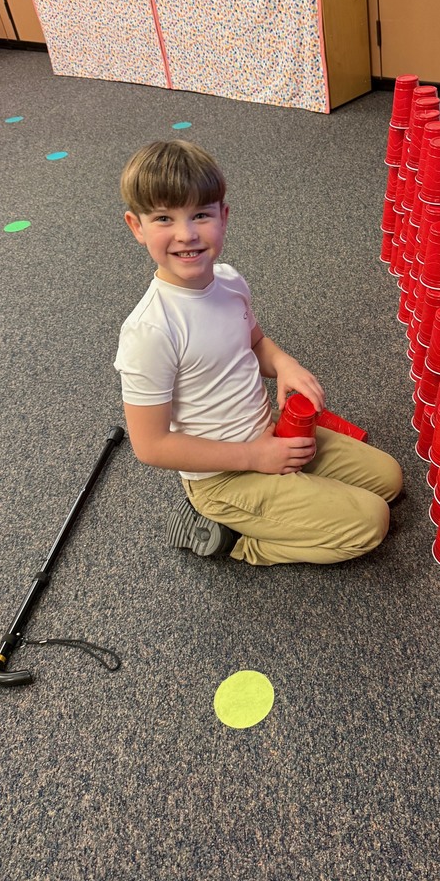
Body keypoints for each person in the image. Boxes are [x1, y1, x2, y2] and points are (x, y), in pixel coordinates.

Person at [114, 140, 403, 566]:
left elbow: (255, 343)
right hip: (223, 478)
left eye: (200, 214)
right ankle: (235, 541)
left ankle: (285, 495)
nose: (186, 234)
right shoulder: (149, 331)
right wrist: (254, 458)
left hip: (268, 434)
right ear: (136, 227)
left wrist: (285, 365)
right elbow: (151, 445)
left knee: (390, 481)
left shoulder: (229, 282)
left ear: (223, 217)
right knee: (371, 523)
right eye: (163, 218)